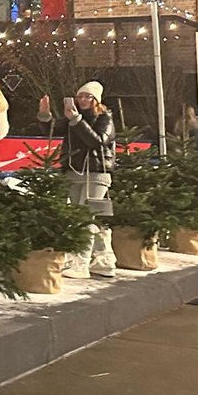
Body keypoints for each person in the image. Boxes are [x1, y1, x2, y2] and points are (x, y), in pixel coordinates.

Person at [37, 81, 117, 278]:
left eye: (87, 96)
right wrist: (45, 115)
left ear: (96, 99)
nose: (82, 100)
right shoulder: (72, 118)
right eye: (80, 96)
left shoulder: (105, 118)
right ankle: (105, 261)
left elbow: (98, 141)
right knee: (80, 217)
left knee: (85, 218)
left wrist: (76, 120)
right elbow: (52, 131)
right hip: (73, 171)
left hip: (96, 173)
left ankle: (80, 263)